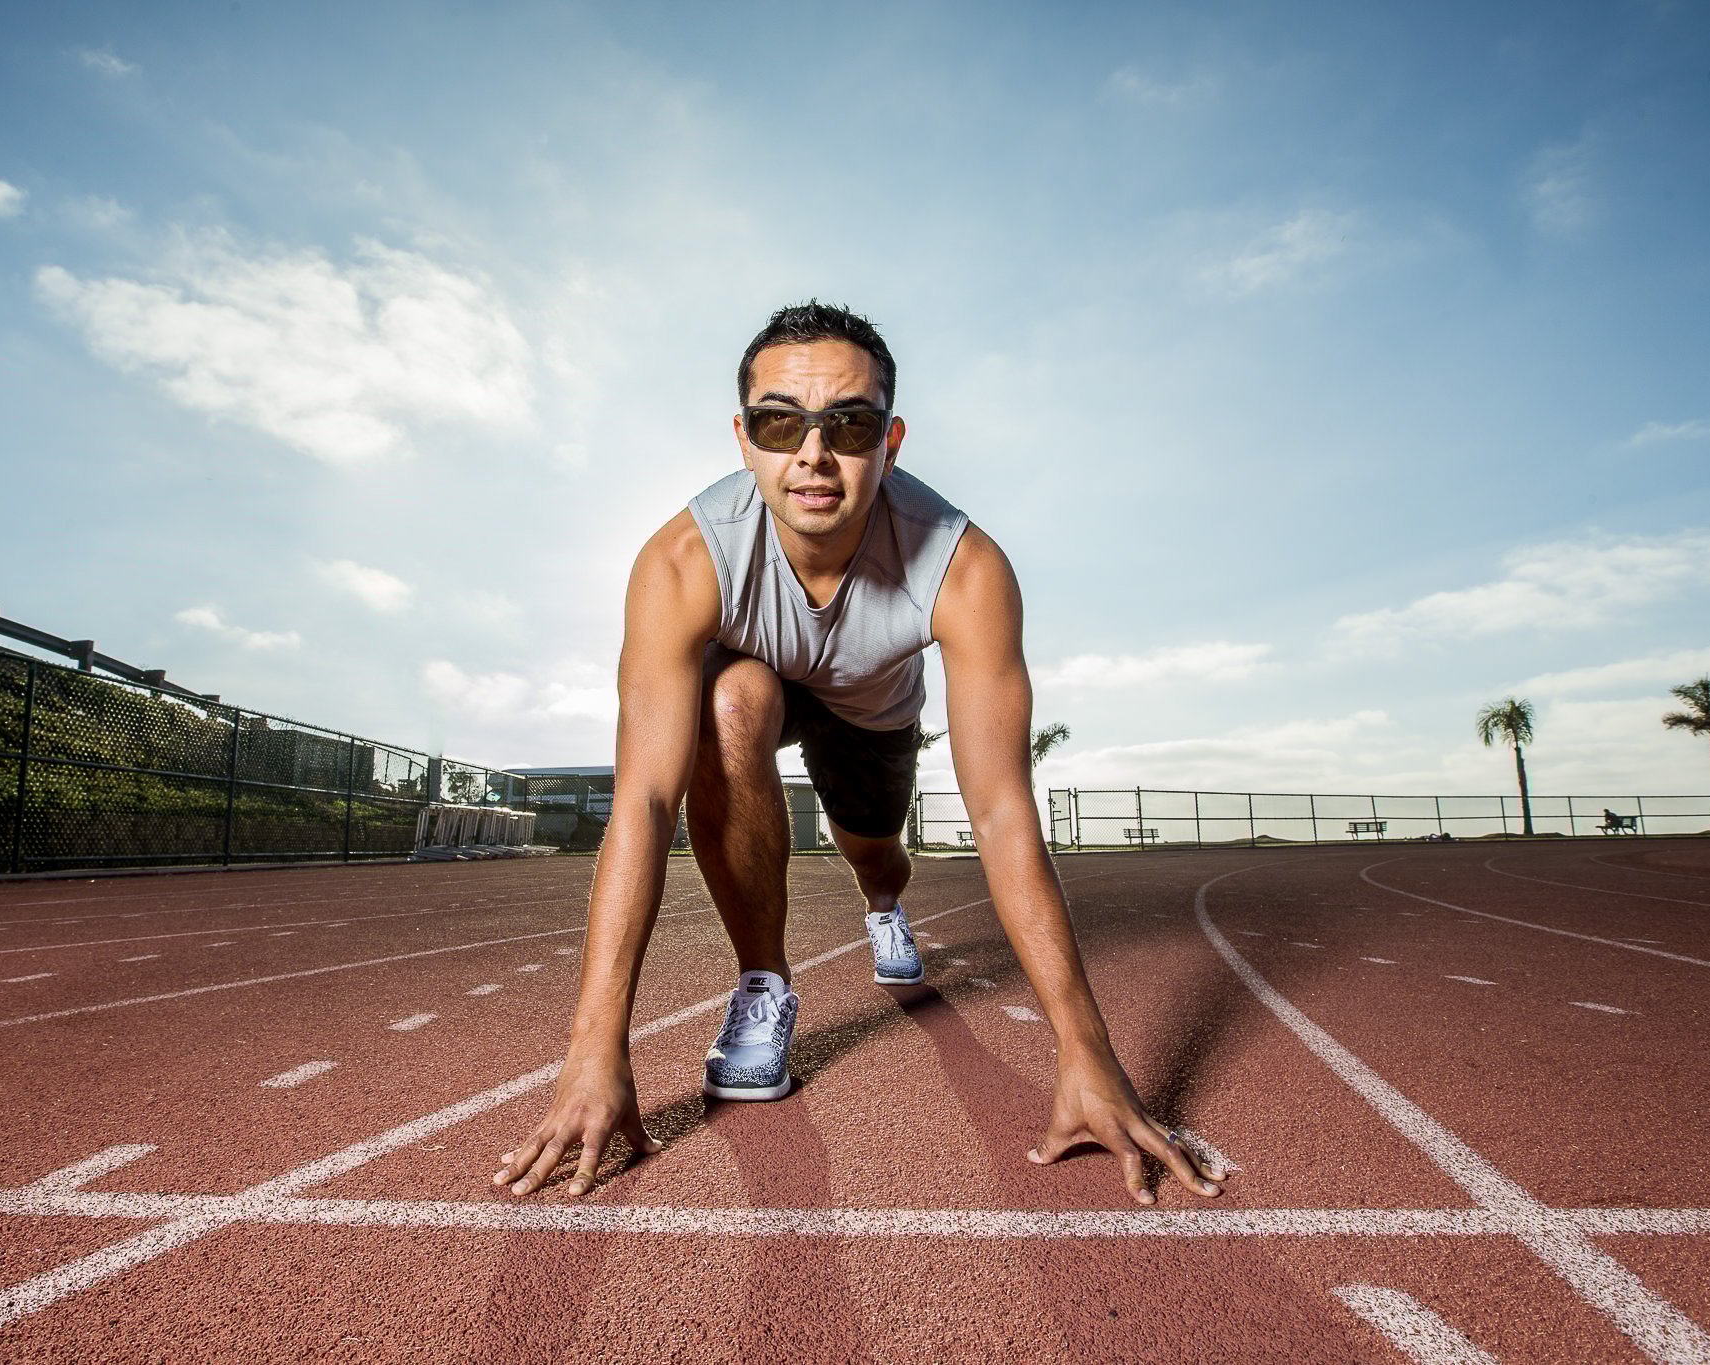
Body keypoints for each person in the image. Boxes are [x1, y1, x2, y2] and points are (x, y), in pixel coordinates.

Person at [492, 301, 1222, 1205]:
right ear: (743, 436)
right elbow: (642, 800)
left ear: (891, 440)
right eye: (779, 422)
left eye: (849, 423)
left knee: (874, 850)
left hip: (874, 710)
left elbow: (999, 808)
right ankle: (764, 982)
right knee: (731, 699)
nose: (813, 452)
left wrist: (1088, 1051)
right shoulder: (683, 561)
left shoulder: (963, 565)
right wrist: (595, 1050)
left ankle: (884, 903)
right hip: (760, 683)